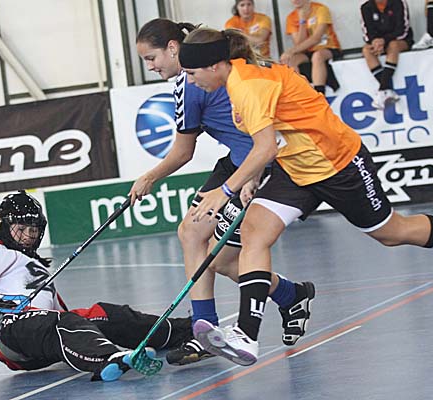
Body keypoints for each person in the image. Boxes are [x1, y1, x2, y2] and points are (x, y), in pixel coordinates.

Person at [178, 28, 433, 366]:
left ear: (213, 65)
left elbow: (266, 147)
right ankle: (247, 335)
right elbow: (268, 139)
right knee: (255, 231)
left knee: (392, 233)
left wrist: (225, 190)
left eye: (192, 73)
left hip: (337, 164)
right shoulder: (238, 80)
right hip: (296, 169)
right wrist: (251, 178)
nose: (191, 81)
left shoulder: (247, 85)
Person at [132, 18, 315, 366]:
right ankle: (206, 329)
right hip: (235, 162)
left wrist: (149, 177)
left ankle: (290, 295)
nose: (151, 66)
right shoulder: (197, 75)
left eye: (151, 58)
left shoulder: (191, 84)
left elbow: (183, 151)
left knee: (222, 260)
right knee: (191, 233)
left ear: (173, 48)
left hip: (260, 167)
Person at [0, 190, 193, 382]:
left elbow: (61, 313)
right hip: (8, 332)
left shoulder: (37, 265)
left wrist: (95, 324)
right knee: (60, 323)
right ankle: (110, 359)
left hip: (42, 333)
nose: (28, 235)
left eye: (34, 229)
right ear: (3, 226)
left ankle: (183, 331)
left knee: (106, 313)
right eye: (21, 228)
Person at [360, 0, 414, 110]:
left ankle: (382, 89)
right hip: (379, 43)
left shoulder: (399, 2)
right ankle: (387, 90)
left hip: (400, 40)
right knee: (366, 50)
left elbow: (403, 29)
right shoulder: (366, 7)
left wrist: (384, 40)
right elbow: (367, 32)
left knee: (393, 45)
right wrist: (375, 41)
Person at [281, 0, 341, 94]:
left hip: (327, 47)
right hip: (307, 51)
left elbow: (316, 38)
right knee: (289, 61)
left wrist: (291, 51)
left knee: (317, 56)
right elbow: (299, 43)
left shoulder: (320, 9)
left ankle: (320, 93)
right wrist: (302, 21)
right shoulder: (291, 17)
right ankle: (301, 93)